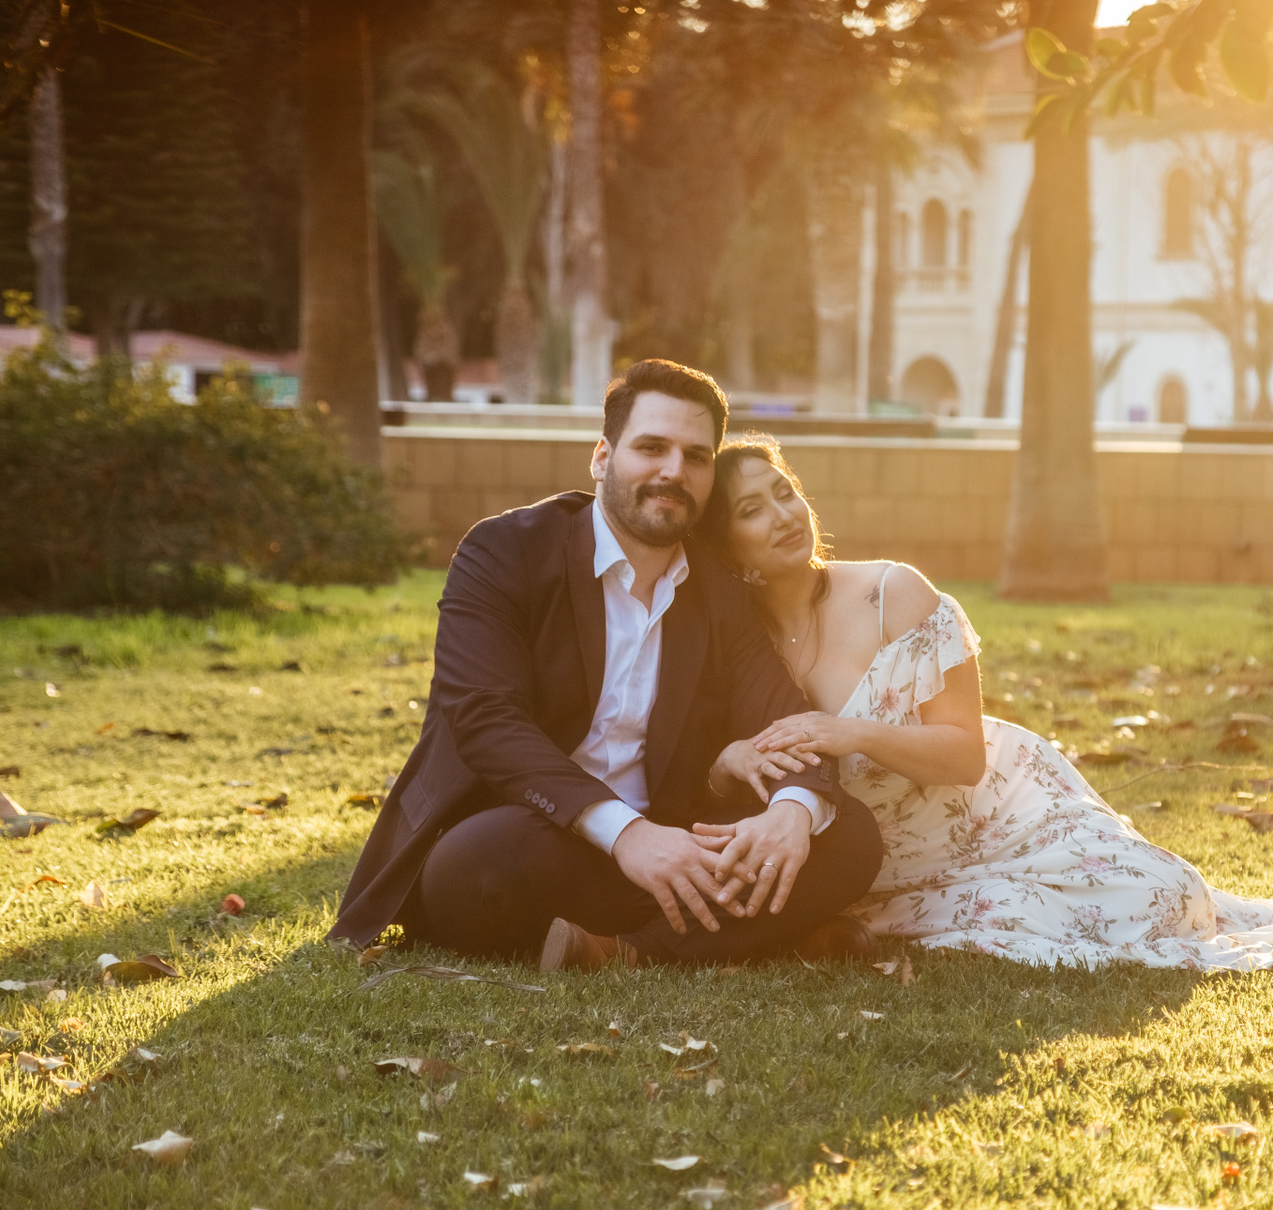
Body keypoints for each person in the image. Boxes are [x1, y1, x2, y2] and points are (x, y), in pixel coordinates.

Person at [698, 434, 1273, 971]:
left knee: (1167, 896)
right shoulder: (739, 648)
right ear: (729, 550)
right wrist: (728, 763)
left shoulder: (893, 594)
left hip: (999, 813)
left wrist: (849, 732)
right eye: (752, 510)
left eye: (785, 492)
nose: (783, 515)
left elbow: (964, 757)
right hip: (882, 865)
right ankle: (851, 920)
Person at [328, 363, 884, 971]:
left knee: (849, 837)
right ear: (601, 457)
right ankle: (762, 933)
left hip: (677, 838)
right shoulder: (504, 550)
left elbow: (785, 719)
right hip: (537, 830)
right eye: (652, 448)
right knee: (478, 867)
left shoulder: (719, 590)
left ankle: (625, 951)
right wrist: (628, 836)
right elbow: (485, 719)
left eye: (696, 457)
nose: (674, 471)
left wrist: (790, 813)